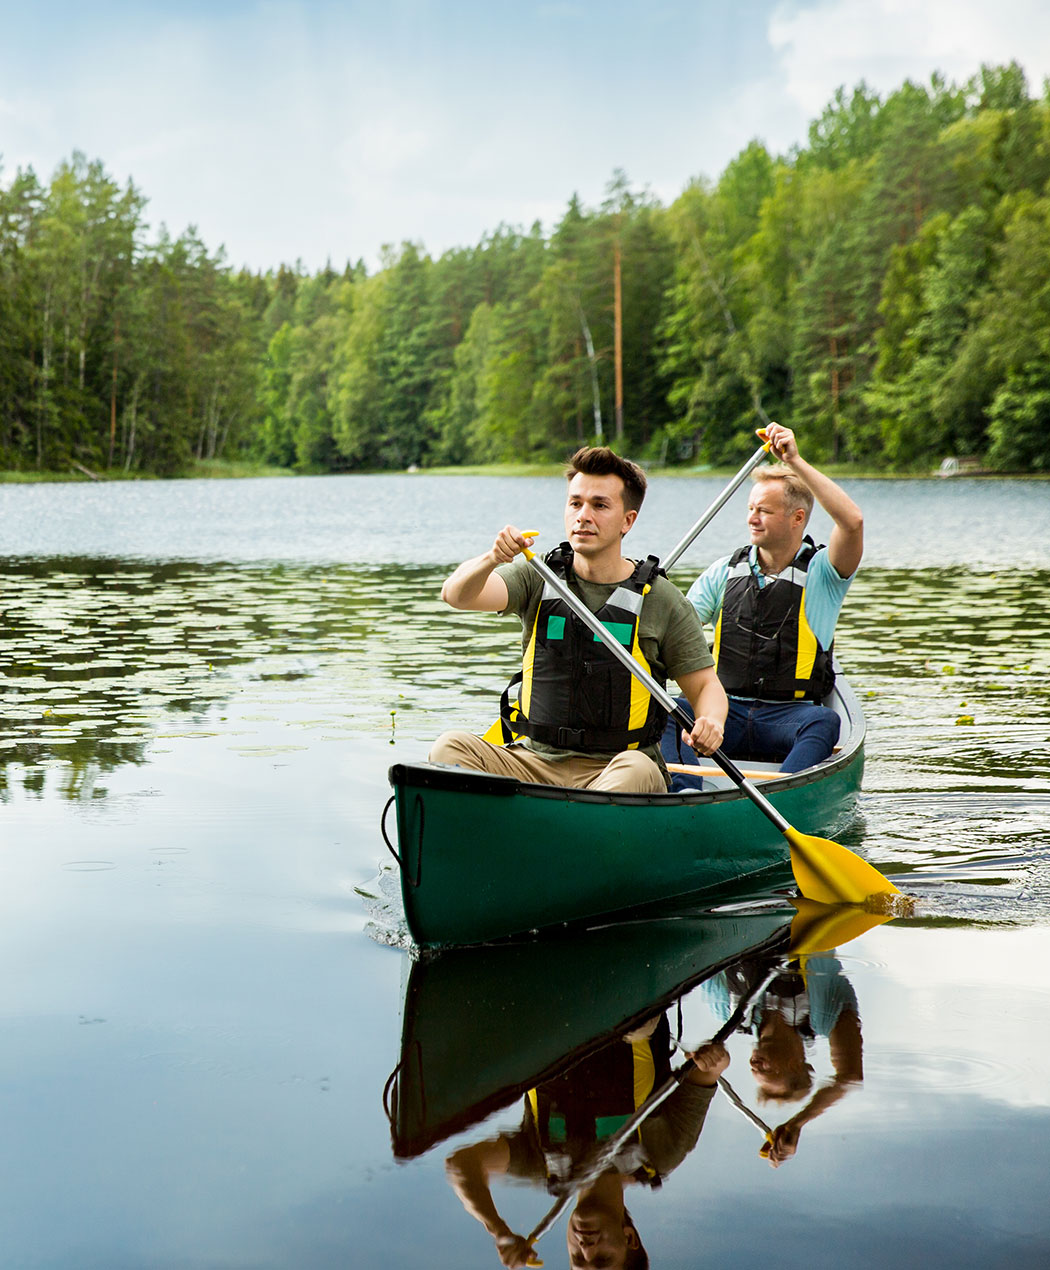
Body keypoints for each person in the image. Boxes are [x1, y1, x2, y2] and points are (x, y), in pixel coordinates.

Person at [430, 446, 727, 793]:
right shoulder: (537, 576)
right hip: (533, 761)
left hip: (617, 766)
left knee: (633, 769)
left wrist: (711, 722)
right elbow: (456, 595)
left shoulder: (662, 599)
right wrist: (492, 558)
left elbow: (706, 686)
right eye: (575, 503)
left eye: (599, 505)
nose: (583, 515)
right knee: (448, 748)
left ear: (627, 520)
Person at [445, 1014, 730, 1269]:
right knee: (638, 1027)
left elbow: (461, 1165)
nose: (585, 1248)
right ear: (629, 1238)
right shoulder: (662, 1153)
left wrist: (499, 1231)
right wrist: (712, 1058)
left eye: (577, 1259)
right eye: (603, 1260)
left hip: (542, 1014)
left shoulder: (538, 1161)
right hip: (628, 1008)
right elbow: (709, 1072)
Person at [663, 422, 863, 777]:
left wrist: (796, 461)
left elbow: (852, 523)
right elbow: (677, 634)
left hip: (788, 718)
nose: (751, 518)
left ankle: (784, 793)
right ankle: (685, 789)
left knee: (824, 721)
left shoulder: (824, 575)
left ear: (797, 518)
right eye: (751, 508)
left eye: (764, 511)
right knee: (662, 709)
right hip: (726, 713)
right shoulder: (723, 572)